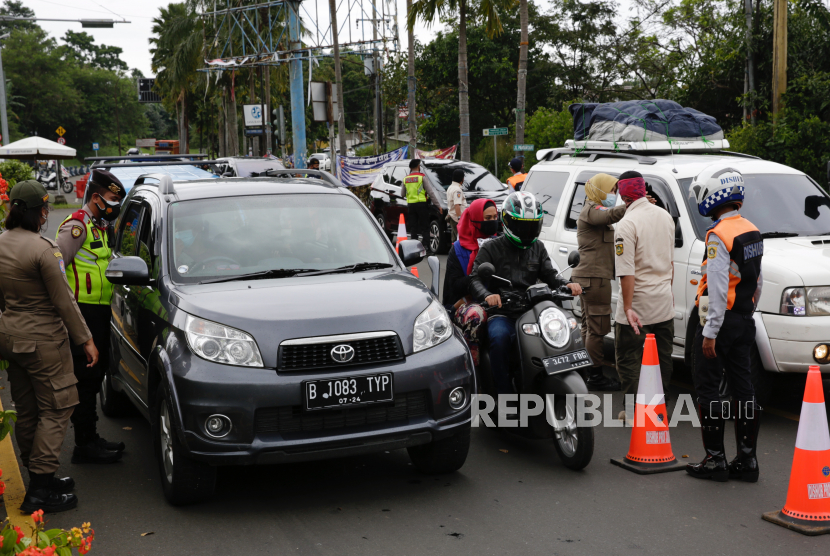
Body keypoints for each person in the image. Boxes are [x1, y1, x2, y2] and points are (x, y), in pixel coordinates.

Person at [0, 180, 99, 513]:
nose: (46, 214)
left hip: (10, 339)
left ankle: (37, 476)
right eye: (44, 209)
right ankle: (40, 490)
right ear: (34, 212)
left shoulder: (1, 243)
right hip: (44, 342)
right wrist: (85, 339)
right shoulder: (44, 249)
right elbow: (64, 302)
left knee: (27, 411)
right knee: (57, 408)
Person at [686, 166, 763, 482]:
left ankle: (715, 461)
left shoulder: (718, 234)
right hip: (745, 320)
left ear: (713, 195)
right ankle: (747, 461)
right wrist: (746, 311)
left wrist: (710, 332)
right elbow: (757, 282)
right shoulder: (751, 229)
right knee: (744, 389)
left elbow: (717, 288)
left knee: (708, 388)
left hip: (722, 322)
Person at [469, 192, 582, 393]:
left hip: (533, 312)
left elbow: (550, 274)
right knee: (500, 339)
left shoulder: (538, 247)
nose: (527, 231)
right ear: (508, 222)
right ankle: (503, 397)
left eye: (532, 225)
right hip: (503, 312)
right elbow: (475, 278)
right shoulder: (491, 248)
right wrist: (487, 296)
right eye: (522, 225)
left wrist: (567, 284)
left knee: (564, 332)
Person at [55, 168, 126, 464]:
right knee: (85, 378)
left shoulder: (101, 226)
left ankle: (90, 437)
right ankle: (84, 445)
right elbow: (55, 269)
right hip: (82, 313)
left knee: (97, 373)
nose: (114, 207)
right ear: (96, 198)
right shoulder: (77, 227)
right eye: (111, 200)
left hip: (101, 310)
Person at [613, 171, 675, 422]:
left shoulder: (627, 224)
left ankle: (632, 412)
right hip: (663, 302)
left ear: (623, 195)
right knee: (662, 359)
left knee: (629, 359)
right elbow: (670, 261)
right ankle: (660, 410)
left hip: (637, 304)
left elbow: (626, 272)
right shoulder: (665, 216)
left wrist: (627, 307)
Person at [571, 173, 625, 391]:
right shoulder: (592, 210)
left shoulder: (592, 209)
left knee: (588, 327)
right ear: (599, 190)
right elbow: (610, 215)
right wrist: (633, 205)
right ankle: (596, 376)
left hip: (590, 276)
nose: (615, 195)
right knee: (597, 329)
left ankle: (588, 371)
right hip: (594, 278)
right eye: (612, 190)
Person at [442, 199, 498, 364]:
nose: (493, 222)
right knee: (476, 315)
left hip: (497, 300)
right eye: (487, 219)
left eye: (495, 217)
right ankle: (471, 369)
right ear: (474, 219)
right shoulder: (458, 249)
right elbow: (455, 286)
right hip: (464, 302)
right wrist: (478, 280)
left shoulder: (499, 244)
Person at [400, 158, 430, 246]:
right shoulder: (422, 177)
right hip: (421, 204)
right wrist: (438, 205)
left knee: (413, 227)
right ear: (418, 166)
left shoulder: (406, 179)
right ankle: (426, 246)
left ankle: (414, 246)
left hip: (411, 205)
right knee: (425, 227)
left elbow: (402, 194)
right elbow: (430, 192)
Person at [445, 168, 468, 242]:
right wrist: (460, 219)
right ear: (462, 179)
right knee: (460, 239)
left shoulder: (450, 187)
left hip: (452, 216)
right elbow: (457, 205)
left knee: (454, 239)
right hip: (456, 218)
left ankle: (453, 253)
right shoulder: (457, 190)